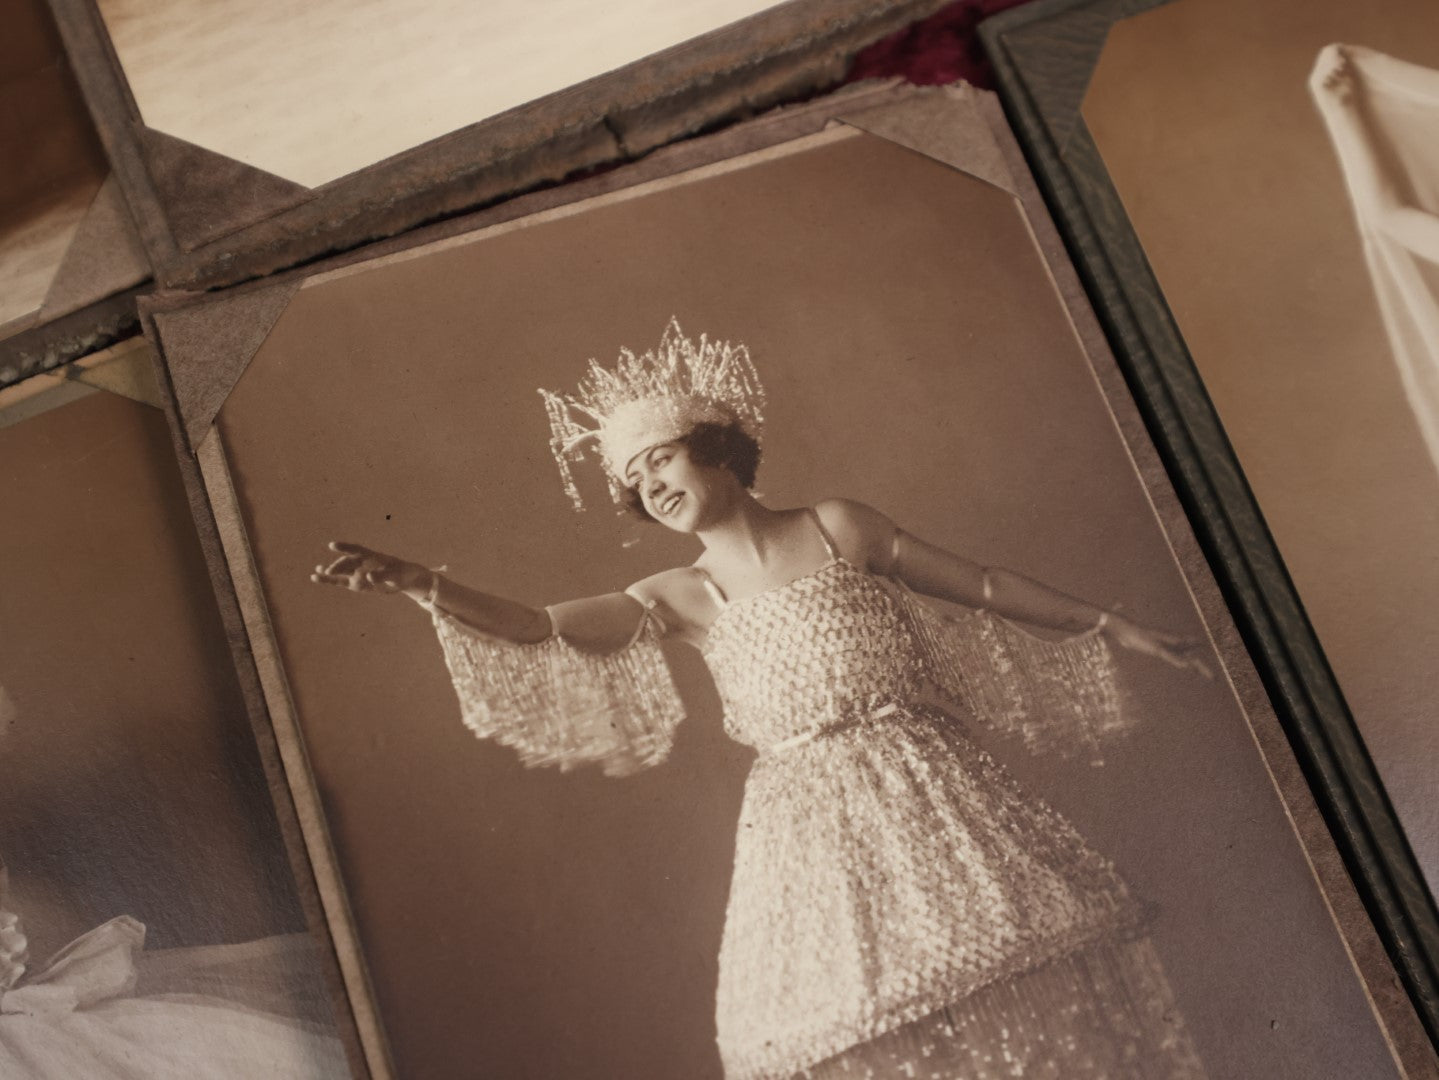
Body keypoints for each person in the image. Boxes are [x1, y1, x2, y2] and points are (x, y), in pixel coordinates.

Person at [313, 319, 1209, 1079]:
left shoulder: (837, 526)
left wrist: (1109, 626)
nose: (650, 488)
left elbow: (980, 585)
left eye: (658, 460)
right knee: (862, 1019)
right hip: (806, 834)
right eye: (633, 483)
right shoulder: (681, 595)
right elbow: (534, 627)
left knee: (1008, 980)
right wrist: (423, 585)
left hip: (935, 794)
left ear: (715, 449)